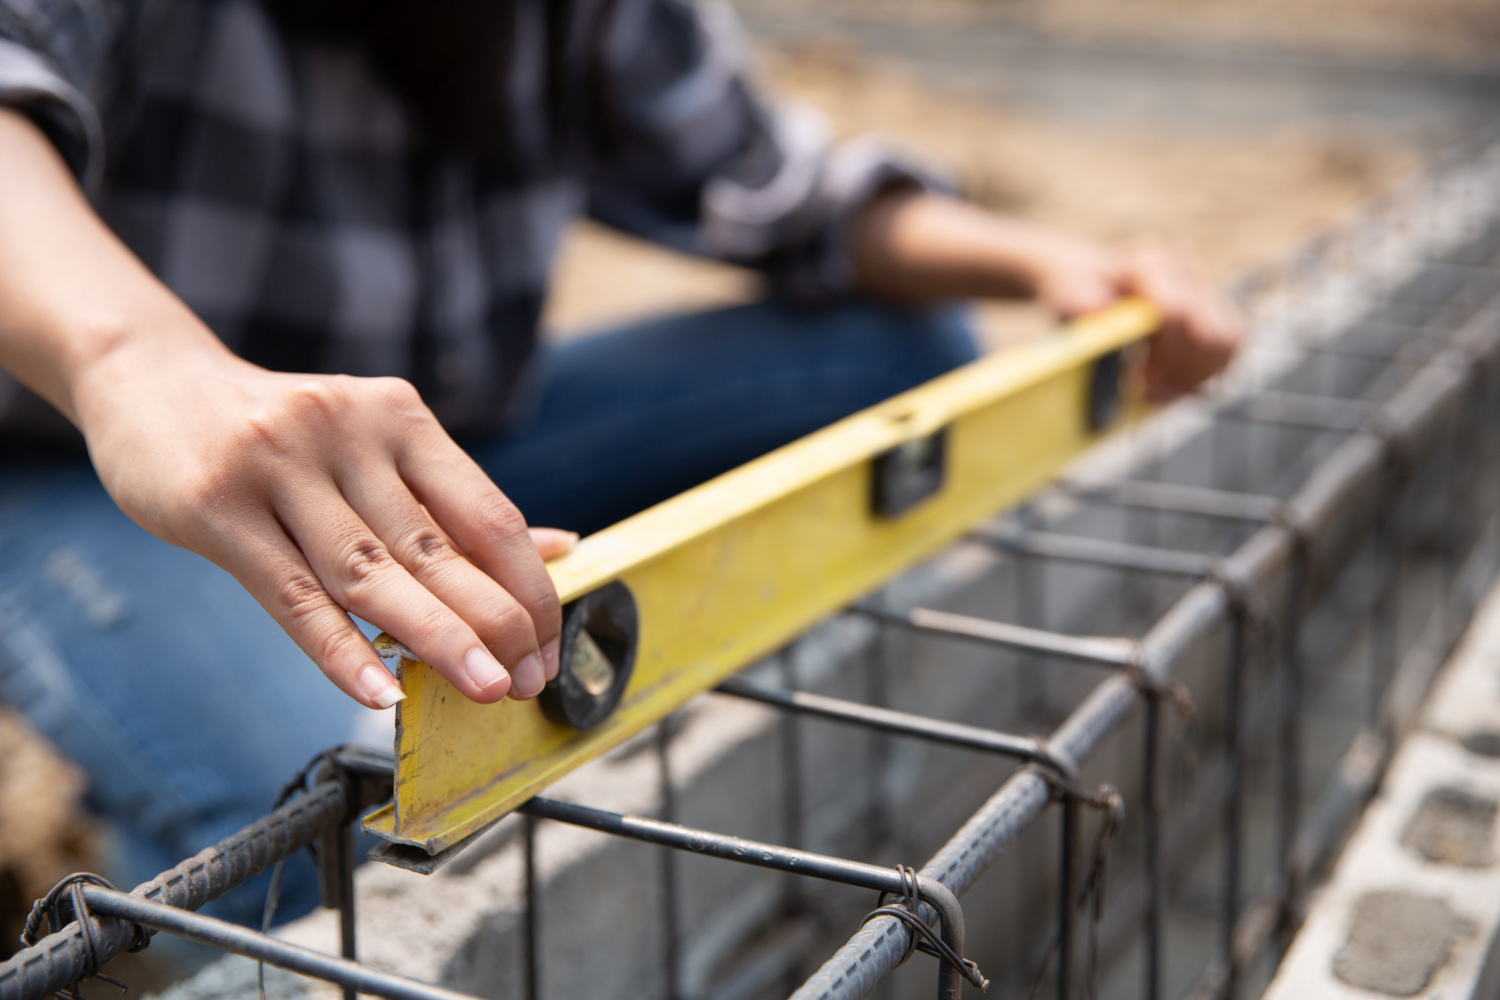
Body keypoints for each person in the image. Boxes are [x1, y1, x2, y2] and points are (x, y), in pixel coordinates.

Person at [0, 0, 1242, 924]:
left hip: (448, 442)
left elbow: (784, 188)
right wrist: (133, 361)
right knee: (342, 819)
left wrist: (1049, 264)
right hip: (75, 471)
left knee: (900, 348)